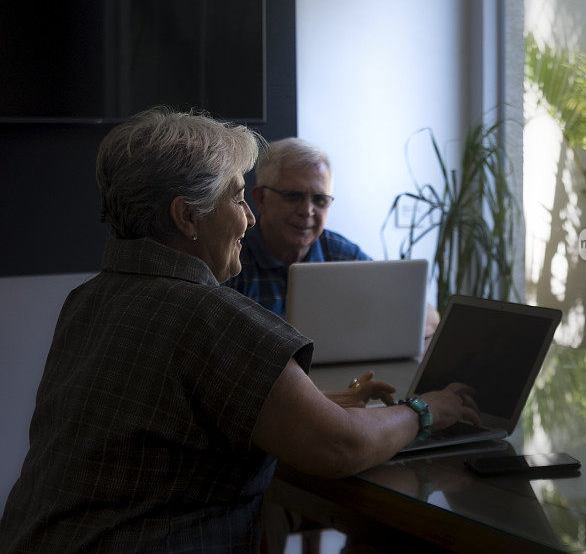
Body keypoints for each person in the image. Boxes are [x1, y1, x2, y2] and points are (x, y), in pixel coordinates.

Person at [0, 108, 478, 552]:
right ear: (186, 216)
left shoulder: (87, 301)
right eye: (236, 196)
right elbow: (342, 447)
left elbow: (173, 421)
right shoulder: (209, 317)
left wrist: (315, 402)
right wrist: (426, 408)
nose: (248, 216)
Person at [225, 138, 440, 336]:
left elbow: (429, 316)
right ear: (261, 199)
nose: (307, 211)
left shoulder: (341, 254)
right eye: (293, 196)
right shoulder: (231, 259)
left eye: (319, 199)